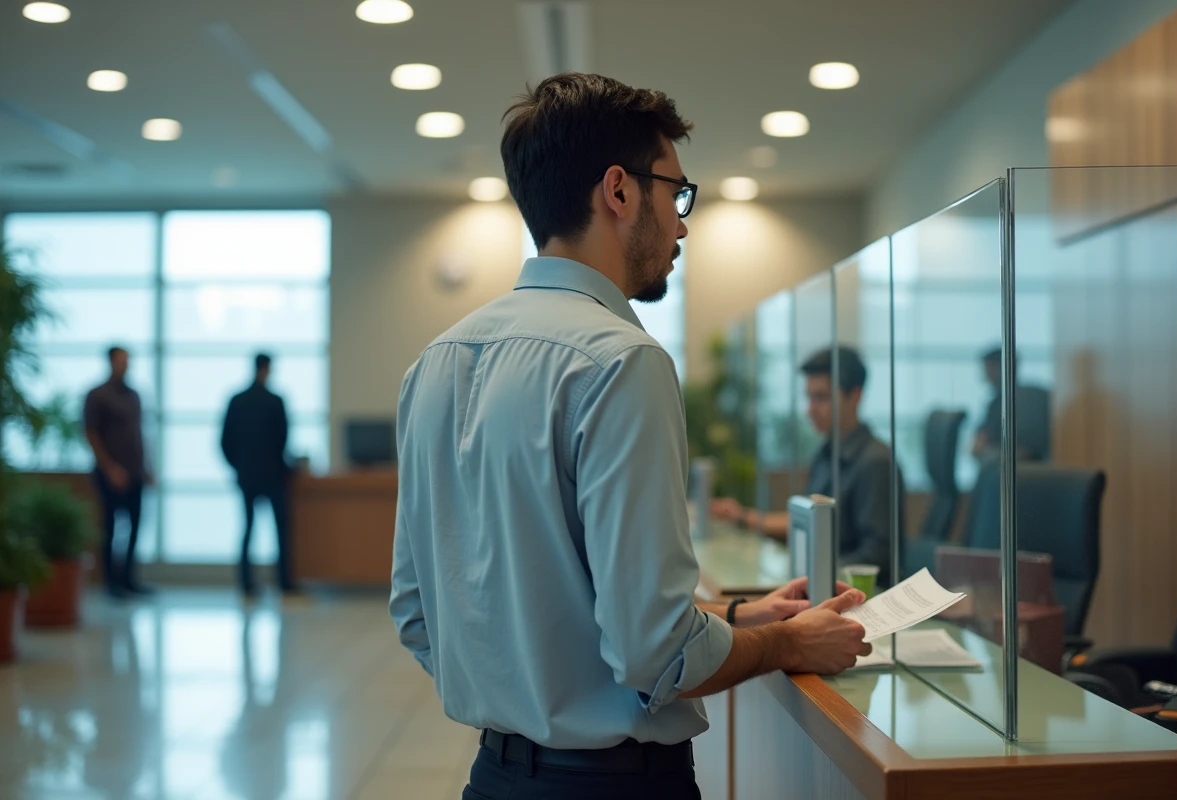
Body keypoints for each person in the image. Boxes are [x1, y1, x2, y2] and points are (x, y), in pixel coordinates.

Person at [389, 73, 870, 799]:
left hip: (493, 779)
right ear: (618, 191)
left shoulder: (434, 363)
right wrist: (786, 642)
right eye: (676, 193)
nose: (681, 223)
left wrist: (738, 615)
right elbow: (655, 653)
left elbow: (418, 611)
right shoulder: (622, 361)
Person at [712, 346, 900, 587]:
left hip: (859, 596)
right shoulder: (826, 454)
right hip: (823, 587)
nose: (810, 409)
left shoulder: (875, 462)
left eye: (821, 398)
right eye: (809, 397)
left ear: (854, 396)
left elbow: (876, 557)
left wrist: (814, 573)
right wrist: (743, 517)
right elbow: (804, 522)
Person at [221, 353, 295, 596]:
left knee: (248, 528)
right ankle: (284, 582)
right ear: (267, 369)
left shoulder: (237, 400)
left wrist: (239, 466)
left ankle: (246, 583)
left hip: (248, 475)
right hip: (273, 474)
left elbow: (225, 442)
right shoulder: (275, 401)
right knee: (280, 529)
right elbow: (283, 438)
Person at [84, 346, 153, 598]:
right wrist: (110, 468)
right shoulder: (97, 395)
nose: (126, 365)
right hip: (109, 473)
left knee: (135, 526)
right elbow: (91, 434)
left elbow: (138, 433)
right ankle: (111, 583)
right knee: (111, 528)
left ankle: (128, 579)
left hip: (135, 472)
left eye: (128, 361)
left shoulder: (134, 395)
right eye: (121, 361)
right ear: (111, 362)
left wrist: (147, 467)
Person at [971, 347, 1051, 462]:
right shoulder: (1041, 395)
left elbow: (977, 447)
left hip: (1007, 466)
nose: (985, 375)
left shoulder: (1000, 402)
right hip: (1042, 465)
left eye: (988, 368)